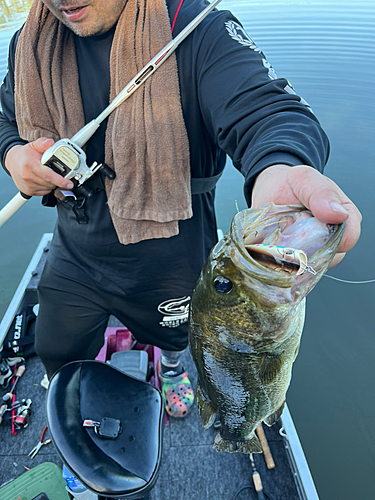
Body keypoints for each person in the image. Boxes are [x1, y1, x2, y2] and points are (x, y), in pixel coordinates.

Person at [0, 0, 361, 418]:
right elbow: (5, 119)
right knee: (54, 348)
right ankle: (84, 403)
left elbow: (267, 109)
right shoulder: (30, 45)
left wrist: (280, 166)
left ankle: (171, 368)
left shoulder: (198, 28)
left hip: (172, 255)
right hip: (77, 248)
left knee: (178, 339)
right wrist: (14, 157)